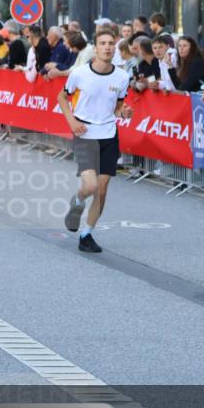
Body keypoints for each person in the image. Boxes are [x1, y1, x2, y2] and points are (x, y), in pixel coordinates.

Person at [58, 29, 133, 253]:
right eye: (103, 43)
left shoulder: (122, 77)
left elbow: (117, 106)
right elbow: (62, 97)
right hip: (84, 134)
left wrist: (124, 112)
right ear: (96, 47)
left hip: (109, 135)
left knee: (101, 191)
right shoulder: (80, 73)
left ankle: (86, 234)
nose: (108, 47)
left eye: (111, 43)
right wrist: (72, 122)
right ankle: (78, 202)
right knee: (89, 186)